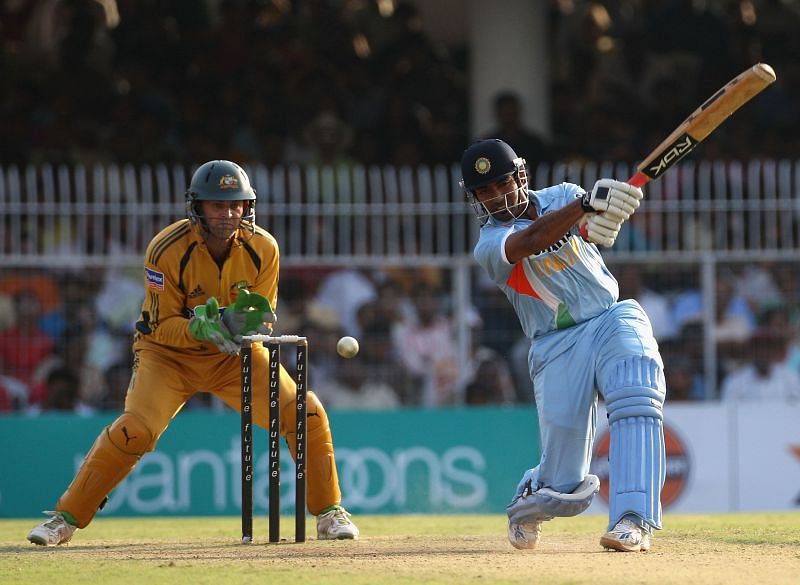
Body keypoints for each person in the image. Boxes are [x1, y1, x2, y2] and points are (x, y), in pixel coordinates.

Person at [27, 160, 359, 546]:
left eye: (236, 205)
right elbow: (157, 325)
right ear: (197, 207)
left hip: (232, 357)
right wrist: (199, 328)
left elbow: (263, 318)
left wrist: (239, 325)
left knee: (305, 412)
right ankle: (64, 519)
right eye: (218, 205)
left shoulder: (263, 248)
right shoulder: (166, 248)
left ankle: (330, 513)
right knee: (135, 430)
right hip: (168, 356)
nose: (229, 214)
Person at [460, 139, 664, 553]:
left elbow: (591, 232)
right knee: (565, 486)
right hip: (556, 345)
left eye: (503, 184)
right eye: (485, 192)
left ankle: (633, 519)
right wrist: (588, 206)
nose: (498, 197)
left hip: (610, 316)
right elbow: (530, 241)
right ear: (475, 199)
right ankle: (531, 497)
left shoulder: (564, 195)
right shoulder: (489, 245)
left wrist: (607, 214)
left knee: (636, 394)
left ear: (521, 175)